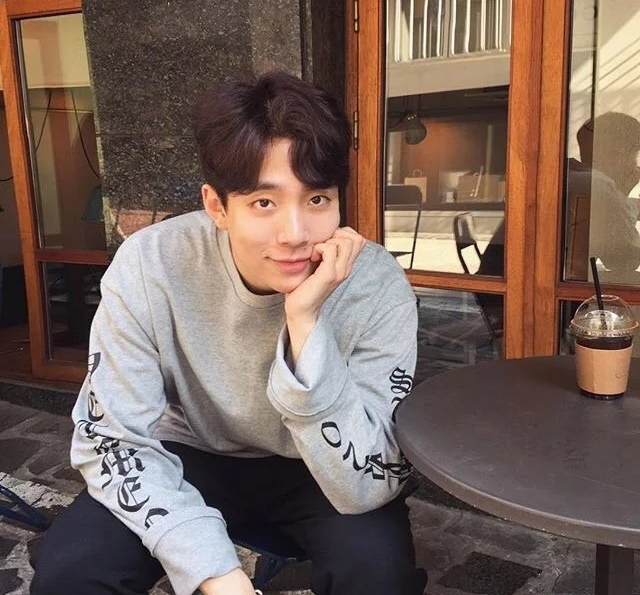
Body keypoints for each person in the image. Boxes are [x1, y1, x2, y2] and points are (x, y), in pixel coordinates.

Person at [30, 71, 428, 595]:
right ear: (217, 206)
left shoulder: (374, 283)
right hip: (188, 450)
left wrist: (305, 323)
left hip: (317, 464)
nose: (295, 234)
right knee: (73, 571)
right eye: (264, 202)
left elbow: (370, 479)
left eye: (317, 200)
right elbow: (111, 438)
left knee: (381, 574)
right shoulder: (152, 263)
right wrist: (216, 574)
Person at [567, 112, 640, 283]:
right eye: (635, 156)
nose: (635, 166)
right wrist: (622, 190)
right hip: (569, 291)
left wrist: (622, 199)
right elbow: (624, 261)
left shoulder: (568, 174)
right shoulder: (600, 185)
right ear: (618, 154)